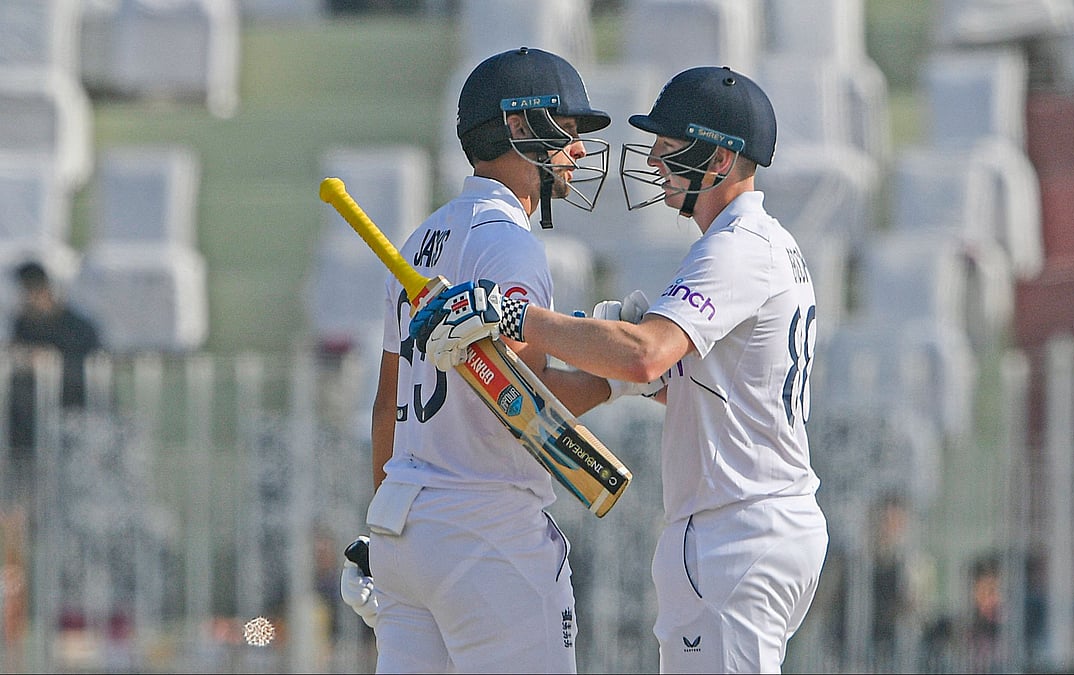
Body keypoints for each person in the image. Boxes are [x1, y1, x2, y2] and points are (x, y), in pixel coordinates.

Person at [410, 65, 829, 674]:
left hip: (733, 530)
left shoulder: (735, 247)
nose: (655, 160)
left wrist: (513, 314)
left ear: (717, 160)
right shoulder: (764, 244)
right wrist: (608, 360)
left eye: (669, 145)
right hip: (761, 522)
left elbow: (646, 354)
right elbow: (674, 381)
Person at [337, 46, 653, 674]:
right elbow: (527, 407)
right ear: (519, 126)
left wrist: (383, 527)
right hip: (486, 530)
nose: (579, 153)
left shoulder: (421, 239)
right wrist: (621, 379)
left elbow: (385, 409)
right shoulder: (510, 243)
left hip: (404, 524)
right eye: (567, 133)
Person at [5, 261, 101, 498]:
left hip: (73, 423)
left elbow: (89, 376)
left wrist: (49, 363)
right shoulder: (24, 325)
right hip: (27, 434)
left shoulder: (77, 328)